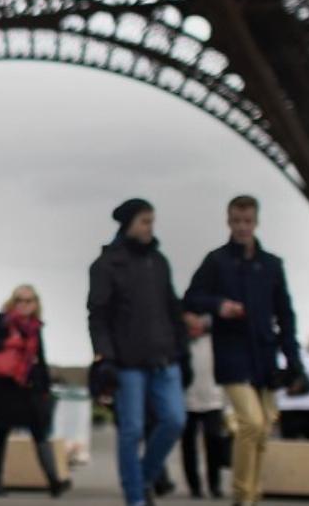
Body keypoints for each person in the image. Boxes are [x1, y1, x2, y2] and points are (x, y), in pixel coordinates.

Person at [184, 194, 304, 505]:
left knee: (262, 429)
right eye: (236, 221)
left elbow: (286, 316)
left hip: (263, 354)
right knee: (251, 422)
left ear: (256, 221)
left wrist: (293, 361)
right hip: (232, 352)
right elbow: (191, 297)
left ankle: (254, 491)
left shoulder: (272, 265)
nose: (242, 227)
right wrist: (219, 306)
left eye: (247, 221)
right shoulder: (216, 261)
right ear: (228, 221)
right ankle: (242, 495)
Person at [88, 198, 188, 506]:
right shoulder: (107, 265)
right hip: (127, 361)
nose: (150, 227)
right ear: (129, 223)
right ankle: (135, 498)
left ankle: (143, 476)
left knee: (174, 420)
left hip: (163, 357)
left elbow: (172, 307)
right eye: (145, 221)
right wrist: (105, 356)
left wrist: (180, 348)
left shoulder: (158, 262)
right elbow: (98, 314)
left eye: (152, 221)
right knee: (130, 430)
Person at [0, 284, 69, 497]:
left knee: (40, 433)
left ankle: (54, 480)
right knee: (2, 432)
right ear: (13, 302)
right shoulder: (3, 321)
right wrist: (10, 342)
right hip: (6, 386)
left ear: (35, 303)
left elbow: (41, 359)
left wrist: (45, 387)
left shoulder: (35, 327)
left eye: (29, 300)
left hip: (29, 387)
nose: (24, 305)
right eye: (20, 300)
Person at [180, 313, 227, 500]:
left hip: (213, 399)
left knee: (213, 441)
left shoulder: (216, 342)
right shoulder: (181, 344)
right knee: (188, 446)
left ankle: (214, 484)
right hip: (186, 400)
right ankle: (195, 486)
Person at [275, 349, 309, 440]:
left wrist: (280, 397)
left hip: (286, 407)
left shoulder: (278, 360)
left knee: (289, 443)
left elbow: (274, 384)